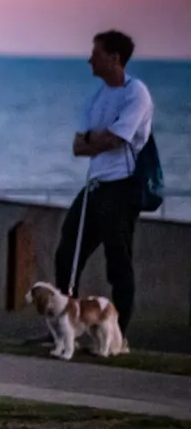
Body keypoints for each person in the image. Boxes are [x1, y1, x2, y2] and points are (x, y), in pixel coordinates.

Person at [54, 29, 154, 335]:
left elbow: (116, 139)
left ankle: (117, 334)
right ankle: (65, 326)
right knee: (67, 254)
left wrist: (94, 139)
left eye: (95, 54)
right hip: (95, 186)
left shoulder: (135, 93)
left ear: (114, 58)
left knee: (118, 262)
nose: (89, 60)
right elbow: (77, 146)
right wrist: (97, 139)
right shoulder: (98, 97)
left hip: (121, 187)